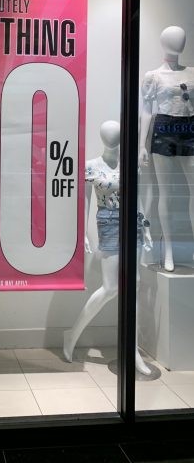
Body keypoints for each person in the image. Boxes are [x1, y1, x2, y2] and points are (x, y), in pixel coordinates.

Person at [63, 120, 153, 375]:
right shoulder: (91, 166)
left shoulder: (130, 164)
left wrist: (145, 226)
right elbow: (84, 202)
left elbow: (136, 198)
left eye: (116, 134)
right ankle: (72, 334)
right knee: (111, 288)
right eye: (109, 134)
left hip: (133, 222)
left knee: (134, 285)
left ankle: (132, 349)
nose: (112, 138)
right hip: (109, 222)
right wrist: (83, 233)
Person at [139, 26, 192, 272]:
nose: (179, 42)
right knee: (166, 193)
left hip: (190, 128)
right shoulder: (154, 76)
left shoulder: (192, 73)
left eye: (182, 38)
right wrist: (142, 144)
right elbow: (147, 111)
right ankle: (168, 250)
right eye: (174, 38)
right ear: (163, 42)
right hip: (164, 129)